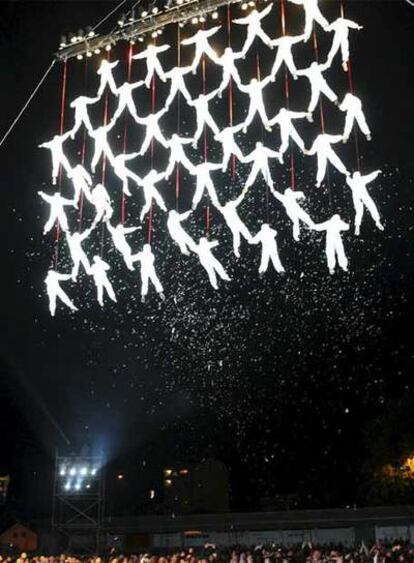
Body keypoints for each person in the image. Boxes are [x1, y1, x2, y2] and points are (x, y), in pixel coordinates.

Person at [214, 188, 252, 257]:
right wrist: (243, 193)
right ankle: (248, 240)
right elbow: (239, 200)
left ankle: (238, 247)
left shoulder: (225, 208)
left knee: (237, 234)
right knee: (241, 232)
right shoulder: (229, 206)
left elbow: (217, 205)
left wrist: (214, 201)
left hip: (234, 223)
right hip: (235, 223)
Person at [346, 170, 383, 235]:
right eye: (356, 175)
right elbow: (348, 179)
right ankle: (357, 226)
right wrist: (347, 175)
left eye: (357, 175)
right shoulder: (355, 181)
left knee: (371, 207)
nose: (357, 176)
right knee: (361, 211)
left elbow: (370, 177)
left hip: (362, 196)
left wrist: (376, 172)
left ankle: (377, 221)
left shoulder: (359, 179)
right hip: (358, 197)